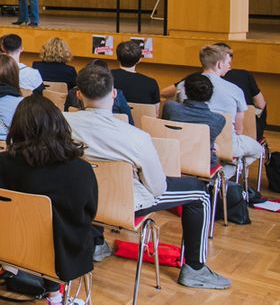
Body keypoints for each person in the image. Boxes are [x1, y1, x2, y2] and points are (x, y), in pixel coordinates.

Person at [65, 65, 229, 289]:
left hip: (79, 200)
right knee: (200, 194)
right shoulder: (136, 137)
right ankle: (196, 268)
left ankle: (96, 242)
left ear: (78, 94)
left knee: (94, 178)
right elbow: (157, 187)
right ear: (114, 94)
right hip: (124, 205)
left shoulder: (61, 123)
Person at [0, 95, 98, 305]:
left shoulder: (6, 164)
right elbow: (89, 212)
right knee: (60, 227)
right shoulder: (81, 170)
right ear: (60, 126)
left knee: (45, 229)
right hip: (60, 256)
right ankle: (56, 299)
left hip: (4, 246)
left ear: (18, 129)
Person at [167, 45, 261, 160]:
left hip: (188, 143)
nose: (229, 66)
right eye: (228, 63)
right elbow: (239, 129)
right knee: (259, 150)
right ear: (219, 64)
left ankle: (219, 173)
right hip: (225, 145)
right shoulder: (235, 90)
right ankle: (226, 173)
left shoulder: (183, 85)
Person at [160, 74, 226, 163]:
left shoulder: (170, 107)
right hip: (201, 164)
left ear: (185, 91)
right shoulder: (218, 119)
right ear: (211, 93)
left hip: (170, 159)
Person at [216, 43, 268, 139]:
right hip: (244, 131)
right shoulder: (245, 75)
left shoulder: (199, 79)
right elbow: (261, 104)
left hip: (214, 133)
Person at [111, 40, 160, 105]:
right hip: (141, 115)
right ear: (139, 60)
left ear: (117, 58)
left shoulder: (104, 77)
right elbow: (155, 112)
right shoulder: (151, 83)